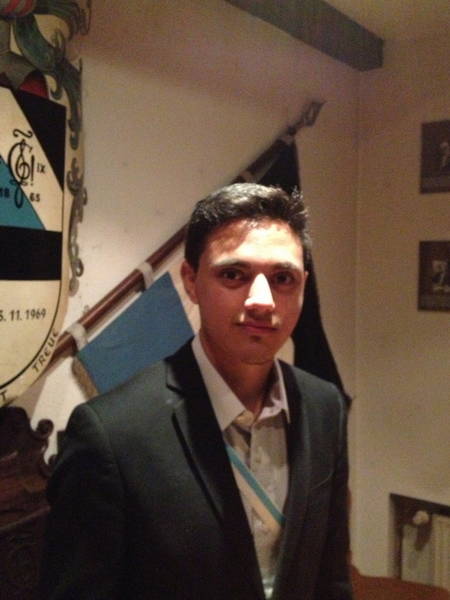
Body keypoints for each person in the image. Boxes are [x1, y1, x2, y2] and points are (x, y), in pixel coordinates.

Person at [40, 183, 352, 600]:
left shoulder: (324, 407)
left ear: (302, 286)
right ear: (191, 281)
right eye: (234, 275)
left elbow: (331, 579)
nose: (262, 301)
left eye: (282, 278)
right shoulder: (112, 435)